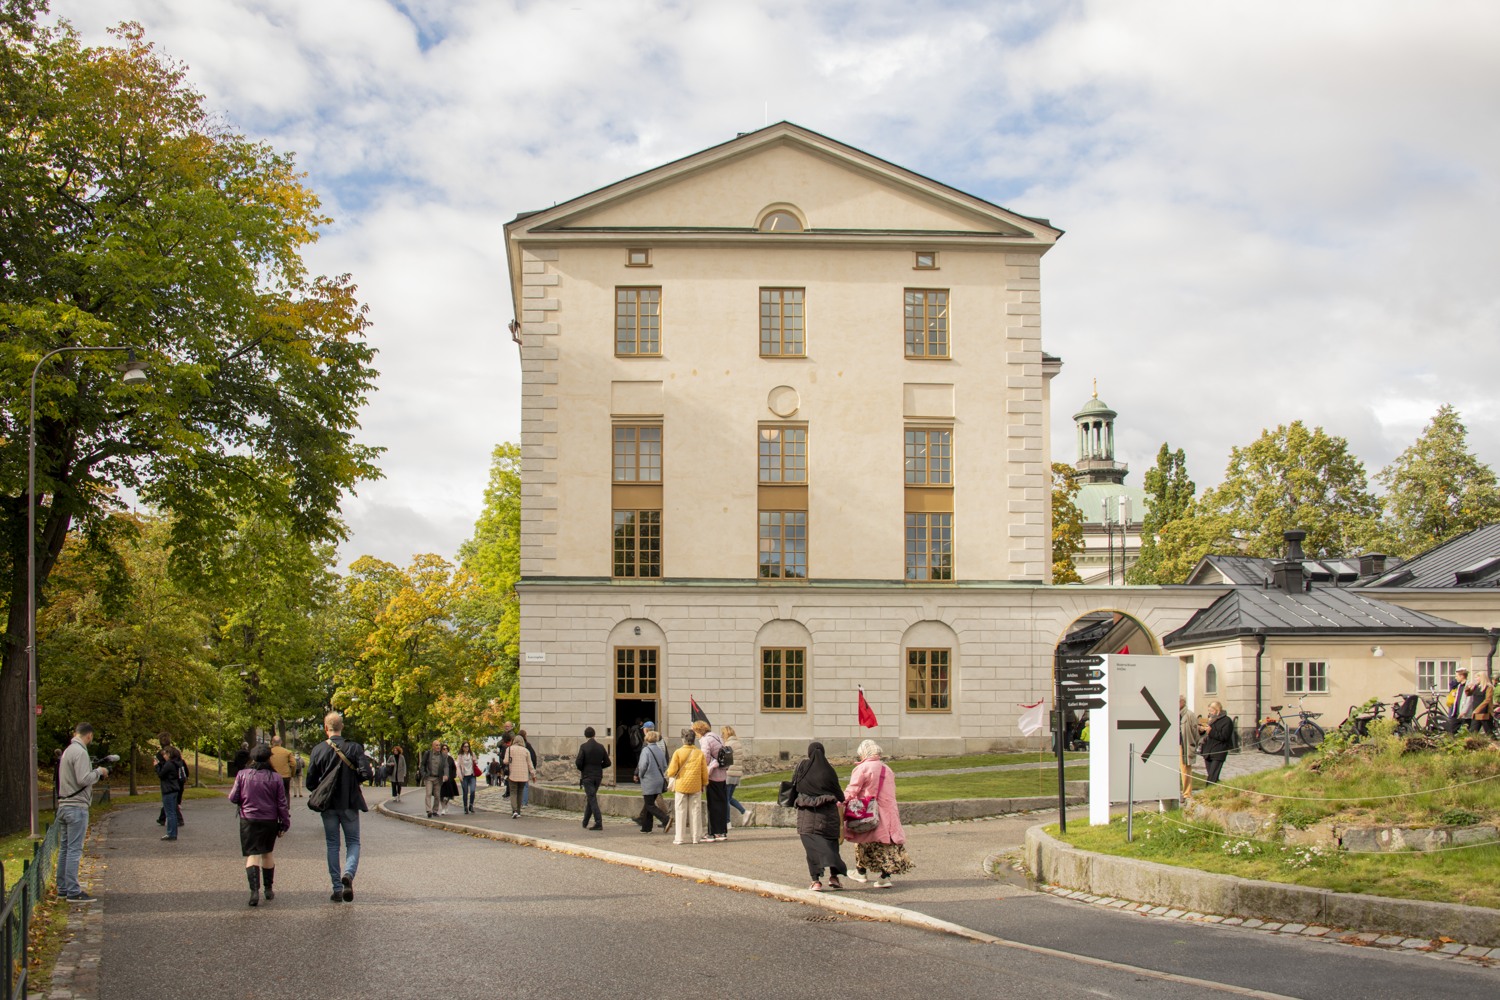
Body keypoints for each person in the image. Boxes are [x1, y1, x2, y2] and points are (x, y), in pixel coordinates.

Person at [304, 712, 373, 903]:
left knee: (332, 844)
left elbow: (310, 781)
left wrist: (322, 787)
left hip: (328, 804)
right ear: (342, 727)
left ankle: (336, 888)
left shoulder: (318, 750)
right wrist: (354, 780)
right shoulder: (353, 747)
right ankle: (348, 875)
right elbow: (367, 773)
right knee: (353, 842)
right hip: (350, 802)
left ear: (326, 728)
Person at [842, 740, 912, 888]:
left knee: (862, 841)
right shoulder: (887, 769)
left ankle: (861, 872)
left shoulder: (862, 768)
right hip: (887, 812)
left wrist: (841, 801)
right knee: (884, 843)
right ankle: (884, 877)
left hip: (866, 811)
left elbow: (853, 790)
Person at [228, 744, 290, 906]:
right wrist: (284, 823)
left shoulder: (242, 775)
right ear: (269, 758)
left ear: (252, 758)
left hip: (248, 819)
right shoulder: (275, 777)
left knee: (252, 854)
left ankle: (254, 891)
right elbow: (281, 803)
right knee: (267, 853)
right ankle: (268, 889)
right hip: (269, 819)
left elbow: (233, 797)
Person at [55, 722, 108, 902]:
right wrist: (99, 772)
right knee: (74, 849)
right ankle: (72, 890)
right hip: (76, 807)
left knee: (65, 848)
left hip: (64, 805)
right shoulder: (80, 752)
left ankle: (62, 887)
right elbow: (83, 779)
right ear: (89, 736)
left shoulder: (68, 751)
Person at [791, 741, 847, 891]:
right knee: (832, 845)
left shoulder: (802, 767)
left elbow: (795, 786)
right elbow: (839, 794)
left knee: (811, 850)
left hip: (807, 815)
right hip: (828, 815)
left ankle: (816, 881)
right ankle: (834, 877)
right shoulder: (829, 770)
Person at [665, 728, 708, 845]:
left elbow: (672, 771)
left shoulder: (678, 752)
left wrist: (670, 774)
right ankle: (695, 837)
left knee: (680, 812)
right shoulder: (699, 753)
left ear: (683, 739)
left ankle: (679, 838)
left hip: (681, 785)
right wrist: (704, 783)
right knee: (695, 812)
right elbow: (704, 771)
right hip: (695, 785)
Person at [694, 720, 730, 842]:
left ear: (699, 731)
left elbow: (704, 759)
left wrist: (702, 773)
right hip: (722, 775)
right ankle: (722, 831)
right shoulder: (717, 737)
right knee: (721, 803)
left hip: (713, 775)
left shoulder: (706, 740)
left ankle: (713, 833)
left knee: (713, 805)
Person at [634, 729, 671, 834]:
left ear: (647, 739)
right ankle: (646, 827)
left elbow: (642, 766)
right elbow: (664, 766)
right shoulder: (659, 750)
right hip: (659, 780)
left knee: (649, 804)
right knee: (648, 804)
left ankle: (665, 819)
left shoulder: (646, 750)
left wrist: (640, 776)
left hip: (649, 780)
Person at [575, 726, 611, 830]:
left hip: (588, 775)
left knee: (592, 798)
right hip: (598, 775)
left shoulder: (584, 746)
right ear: (594, 734)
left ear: (585, 735)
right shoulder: (600, 746)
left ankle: (598, 822)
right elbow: (608, 762)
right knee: (591, 797)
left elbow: (578, 762)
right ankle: (585, 822)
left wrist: (583, 769)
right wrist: (599, 767)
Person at [155, 746, 188, 842]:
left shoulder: (169, 764)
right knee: (172, 812)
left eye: (165, 754)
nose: (164, 756)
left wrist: (156, 766)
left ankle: (171, 833)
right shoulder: (176, 763)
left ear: (169, 754)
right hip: (174, 789)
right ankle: (173, 833)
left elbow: (161, 775)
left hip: (168, 789)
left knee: (170, 813)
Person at [1198, 701, 1235, 785]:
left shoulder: (1226, 720)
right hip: (1207, 751)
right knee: (1212, 775)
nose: (1210, 713)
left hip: (1218, 751)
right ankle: (1218, 790)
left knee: (1212, 777)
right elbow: (1203, 733)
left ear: (1217, 710)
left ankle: (1207, 793)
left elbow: (1224, 736)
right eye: (1209, 711)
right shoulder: (1209, 719)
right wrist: (1200, 730)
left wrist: (1211, 731)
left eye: (1211, 711)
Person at [154, 732, 184, 829]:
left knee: (170, 801)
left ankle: (177, 821)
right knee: (171, 800)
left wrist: (157, 766)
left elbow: (161, 772)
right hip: (177, 778)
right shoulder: (176, 751)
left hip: (168, 780)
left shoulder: (162, 754)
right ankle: (162, 818)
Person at [503, 731, 536, 818]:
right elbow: (530, 764)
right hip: (523, 775)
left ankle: (514, 810)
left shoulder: (509, 749)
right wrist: (533, 775)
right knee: (520, 792)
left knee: (513, 792)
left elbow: (505, 761)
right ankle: (519, 810)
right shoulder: (526, 751)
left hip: (512, 773)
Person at [722, 725, 747, 826]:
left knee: (725, 799)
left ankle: (727, 822)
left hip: (729, 774)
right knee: (729, 798)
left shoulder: (728, 744)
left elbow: (724, 760)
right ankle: (744, 812)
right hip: (737, 775)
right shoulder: (738, 743)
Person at [1179, 696, 1198, 800]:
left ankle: (1187, 793)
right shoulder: (1173, 713)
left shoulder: (1189, 715)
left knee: (1185, 769)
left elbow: (1195, 732)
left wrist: (1192, 744)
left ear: (1182, 702)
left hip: (1184, 744)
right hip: (1173, 745)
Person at [421, 740, 446, 817]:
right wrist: (424, 774)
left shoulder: (442, 755)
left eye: (439, 745)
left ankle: (435, 810)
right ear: (433, 746)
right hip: (429, 777)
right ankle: (429, 810)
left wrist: (445, 775)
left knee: (437, 795)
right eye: (436, 745)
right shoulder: (428, 754)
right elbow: (422, 765)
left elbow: (445, 766)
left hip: (438, 778)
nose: (438, 747)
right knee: (428, 793)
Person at [268, 735, 295, 801]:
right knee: (286, 793)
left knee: (272, 794)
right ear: (281, 742)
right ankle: (286, 807)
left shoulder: (269, 752)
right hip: (285, 776)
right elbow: (293, 764)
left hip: (272, 776)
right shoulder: (287, 752)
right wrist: (292, 774)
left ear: (272, 742)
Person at [456, 740, 479, 814]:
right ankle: (465, 807)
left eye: (468, 746)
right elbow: (458, 766)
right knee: (465, 792)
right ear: (462, 747)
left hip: (472, 775)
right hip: (464, 776)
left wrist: (475, 761)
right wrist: (459, 775)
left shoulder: (472, 754)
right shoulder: (460, 756)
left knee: (472, 791)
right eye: (465, 746)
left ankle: (471, 805)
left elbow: (476, 762)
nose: (467, 748)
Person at [1469, 673, 1495, 737]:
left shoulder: (1489, 687)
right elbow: (1468, 694)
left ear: (1482, 678)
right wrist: (1468, 688)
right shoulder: (1476, 686)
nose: (1476, 679)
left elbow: (1487, 700)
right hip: (1476, 713)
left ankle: (1496, 745)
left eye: (1477, 677)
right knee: (1473, 731)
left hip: (1484, 712)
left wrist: (1478, 709)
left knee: (1489, 732)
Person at [1446, 667, 1470, 734]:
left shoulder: (1468, 685)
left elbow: (1469, 700)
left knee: (1466, 732)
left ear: (1462, 676)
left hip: (1464, 714)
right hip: (1456, 713)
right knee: (1451, 730)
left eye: (1457, 676)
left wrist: (1464, 711)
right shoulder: (1459, 686)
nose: (1456, 678)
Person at [440, 743, 459, 814]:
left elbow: (454, 768)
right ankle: (443, 808)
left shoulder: (450, 759)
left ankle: (446, 805)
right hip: (441, 780)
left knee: (448, 795)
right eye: (443, 749)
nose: (445, 750)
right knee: (441, 795)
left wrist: (453, 776)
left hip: (449, 779)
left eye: (446, 749)